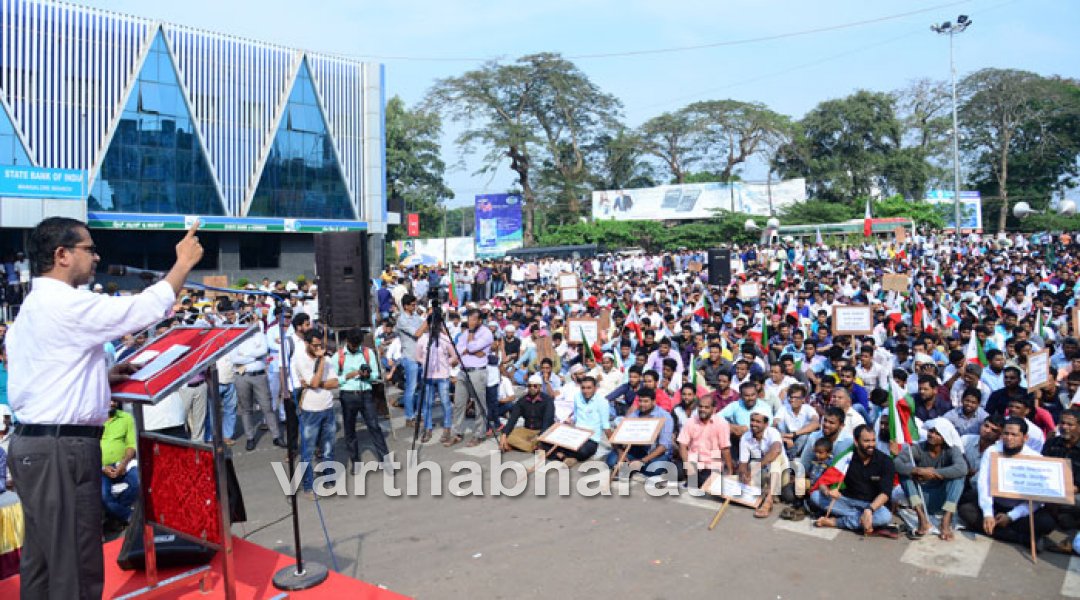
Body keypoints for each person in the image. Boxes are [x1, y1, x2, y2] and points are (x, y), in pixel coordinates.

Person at [7, 216, 202, 598]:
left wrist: (103, 376)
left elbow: (45, 374)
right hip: (61, 450)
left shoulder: (34, 305)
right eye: (88, 248)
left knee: (45, 563)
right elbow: (139, 311)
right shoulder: (66, 303)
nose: (96, 257)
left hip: (36, 447)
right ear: (62, 255)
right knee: (75, 566)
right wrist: (181, 266)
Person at [958, 417, 1056, 548]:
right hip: (995, 505)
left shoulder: (1036, 459)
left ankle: (996, 530)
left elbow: (1037, 500)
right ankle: (1022, 538)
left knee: (1046, 523)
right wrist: (987, 513)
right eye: (1006, 433)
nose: (1009, 438)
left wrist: (1011, 516)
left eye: (1014, 435)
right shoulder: (992, 451)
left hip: (1019, 511)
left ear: (1025, 438)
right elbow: (984, 484)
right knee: (965, 510)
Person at [812, 424, 896, 536]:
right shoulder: (846, 458)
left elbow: (885, 494)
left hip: (872, 504)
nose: (871, 445)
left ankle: (836, 522)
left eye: (873, 440)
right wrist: (828, 492)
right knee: (816, 496)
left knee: (885, 516)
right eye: (866, 441)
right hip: (847, 501)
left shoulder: (885, 461)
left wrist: (869, 510)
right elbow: (823, 482)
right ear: (856, 442)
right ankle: (861, 520)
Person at [893, 418, 968, 541]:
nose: (931, 435)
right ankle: (922, 519)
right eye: (930, 431)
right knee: (905, 475)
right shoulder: (919, 448)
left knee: (959, 478)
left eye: (937, 433)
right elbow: (897, 463)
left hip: (942, 498)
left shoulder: (951, 450)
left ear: (944, 437)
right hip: (921, 498)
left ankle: (946, 520)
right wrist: (917, 471)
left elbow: (962, 468)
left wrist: (934, 473)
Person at [293, 330, 340, 498]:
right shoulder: (301, 359)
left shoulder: (326, 360)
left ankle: (329, 481)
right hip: (310, 410)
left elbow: (335, 382)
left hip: (327, 407)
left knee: (328, 449)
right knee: (308, 451)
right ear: (306, 344)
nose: (319, 348)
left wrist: (318, 382)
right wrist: (320, 361)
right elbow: (312, 382)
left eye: (320, 345)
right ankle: (308, 486)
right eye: (315, 345)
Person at [337, 327, 389, 468]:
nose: (355, 347)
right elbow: (333, 378)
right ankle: (355, 462)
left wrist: (367, 375)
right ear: (347, 341)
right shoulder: (339, 355)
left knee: (374, 427)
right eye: (353, 345)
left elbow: (376, 374)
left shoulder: (368, 353)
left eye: (357, 345)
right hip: (348, 396)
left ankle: (385, 460)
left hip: (365, 394)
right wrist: (348, 376)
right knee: (349, 430)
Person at [231, 318, 285, 452]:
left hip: (259, 375)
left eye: (251, 320)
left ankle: (276, 435)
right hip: (242, 376)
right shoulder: (237, 337)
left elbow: (263, 351)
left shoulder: (260, 335)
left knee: (267, 406)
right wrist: (254, 357)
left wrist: (246, 355)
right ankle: (250, 437)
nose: (250, 323)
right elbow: (234, 358)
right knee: (246, 408)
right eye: (247, 321)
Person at [606, 388, 674, 478]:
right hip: (636, 449)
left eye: (646, 401)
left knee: (652, 469)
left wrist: (642, 461)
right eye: (640, 401)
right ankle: (630, 465)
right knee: (611, 461)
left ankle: (633, 466)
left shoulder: (665, 416)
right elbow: (619, 436)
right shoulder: (635, 414)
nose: (642, 404)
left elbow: (663, 446)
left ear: (653, 402)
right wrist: (621, 454)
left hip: (655, 452)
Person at [448, 309, 493, 447]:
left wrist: (470, 347)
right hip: (462, 370)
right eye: (469, 319)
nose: (470, 322)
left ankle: (479, 434)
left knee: (479, 404)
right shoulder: (465, 332)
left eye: (473, 319)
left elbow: (472, 347)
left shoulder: (486, 333)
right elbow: (460, 348)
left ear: (480, 320)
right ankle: (456, 432)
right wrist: (469, 350)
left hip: (477, 372)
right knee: (458, 403)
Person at [677, 394, 734, 488]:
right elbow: (682, 444)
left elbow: (725, 449)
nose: (702, 409)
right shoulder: (691, 421)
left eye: (706, 407)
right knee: (675, 473)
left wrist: (729, 471)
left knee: (705, 482)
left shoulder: (722, 424)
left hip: (711, 464)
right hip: (692, 460)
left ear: (714, 409)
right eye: (700, 407)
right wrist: (687, 465)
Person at [1043, 408, 1080, 551]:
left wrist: (1059, 495)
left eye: (1070, 425)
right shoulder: (1052, 443)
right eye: (1062, 423)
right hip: (1050, 490)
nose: (1064, 427)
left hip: (1074, 492)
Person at [738, 412, 786, 518]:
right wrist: (744, 475)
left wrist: (754, 470)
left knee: (775, 458)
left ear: (766, 424)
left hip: (780, 473)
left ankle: (768, 500)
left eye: (758, 421)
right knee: (749, 467)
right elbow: (743, 462)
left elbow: (776, 450)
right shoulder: (746, 436)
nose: (754, 424)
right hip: (763, 474)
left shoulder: (773, 432)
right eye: (752, 420)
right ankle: (767, 492)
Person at [100, 399, 138, 530]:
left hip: (123, 463)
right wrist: (103, 468)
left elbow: (132, 445)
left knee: (139, 481)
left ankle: (114, 517)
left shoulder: (126, 418)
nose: (112, 403)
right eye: (109, 399)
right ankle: (130, 516)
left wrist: (123, 463)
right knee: (103, 495)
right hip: (100, 467)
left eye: (115, 400)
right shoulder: (92, 420)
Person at [417, 323, 456, 444]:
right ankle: (428, 428)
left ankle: (447, 428)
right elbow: (417, 356)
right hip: (428, 376)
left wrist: (446, 362)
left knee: (445, 402)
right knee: (428, 403)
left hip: (443, 376)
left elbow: (454, 356)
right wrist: (426, 362)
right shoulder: (423, 339)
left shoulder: (445, 338)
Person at [498, 374, 555, 453]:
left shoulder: (547, 401)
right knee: (505, 436)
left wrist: (538, 437)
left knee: (545, 441)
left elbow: (547, 422)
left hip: (542, 431)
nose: (532, 388)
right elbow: (513, 419)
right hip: (527, 430)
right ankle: (532, 447)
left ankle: (529, 446)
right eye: (529, 386)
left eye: (535, 386)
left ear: (540, 387)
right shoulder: (522, 400)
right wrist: (504, 435)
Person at [394, 294, 425, 428]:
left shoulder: (416, 317)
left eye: (415, 304)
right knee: (411, 389)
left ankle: (420, 414)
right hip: (410, 357)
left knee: (421, 388)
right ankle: (409, 416)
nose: (415, 306)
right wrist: (427, 321)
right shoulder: (402, 320)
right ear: (405, 306)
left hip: (420, 358)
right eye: (412, 305)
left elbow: (425, 329)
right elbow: (417, 333)